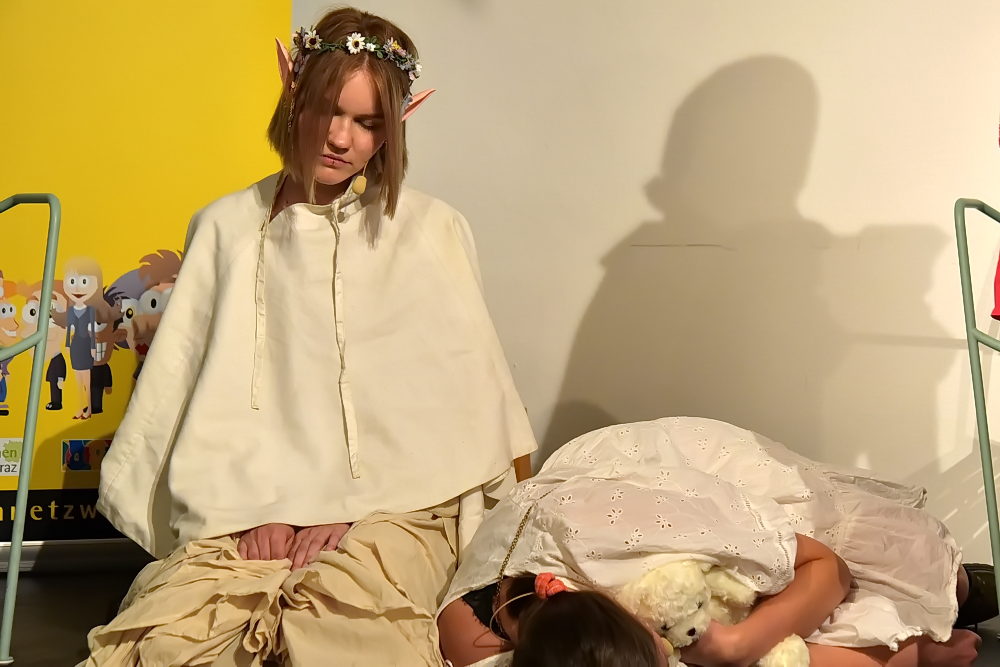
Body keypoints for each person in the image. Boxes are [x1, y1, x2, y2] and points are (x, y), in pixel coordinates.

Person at [83, 7, 536, 666]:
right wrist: (255, 506)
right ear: (293, 92)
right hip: (239, 503)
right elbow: (201, 398)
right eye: (327, 109)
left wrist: (352, 508)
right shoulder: (224, 227)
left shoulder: (432, 230)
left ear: (396, 126)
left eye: (367, 121)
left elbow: (453, 412)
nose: (340, 137)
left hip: (395, 505)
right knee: (172, 641)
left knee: (345, 631)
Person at [438, 417, 994, 667]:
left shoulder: (646, 546)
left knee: (928, 575)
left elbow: (827, 567)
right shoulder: (476, 645)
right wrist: (914, 656)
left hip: (674, 472)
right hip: (592, 552)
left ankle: (969, 584)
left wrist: (736, 646)